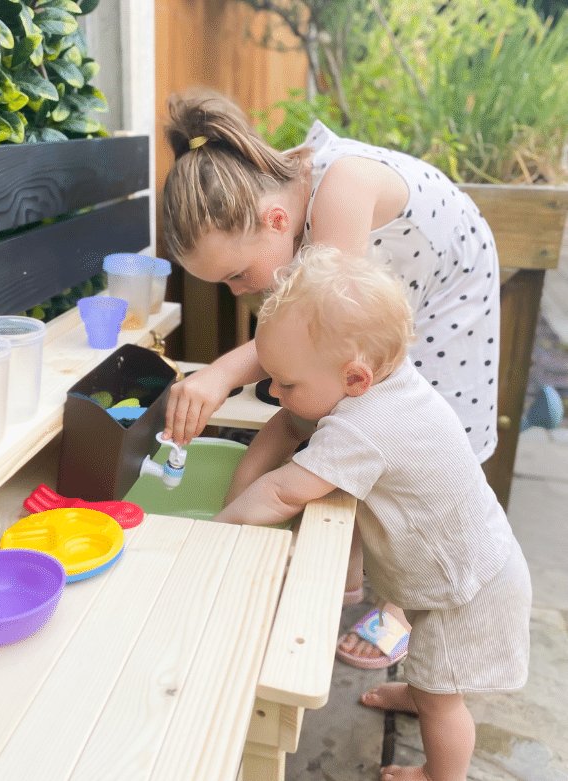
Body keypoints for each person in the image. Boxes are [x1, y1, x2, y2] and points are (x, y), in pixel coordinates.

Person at [160, 89, 501, 669]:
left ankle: (402, 608)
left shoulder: (338, 192)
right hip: (378, 304)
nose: (240, 291)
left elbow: (323, 328)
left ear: (275, 220)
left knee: (414, 444)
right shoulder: (285, 188)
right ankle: (346, 572)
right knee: (330, 417)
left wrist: (220, 373)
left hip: (443, 305)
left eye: (238, 274)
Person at [213, 246, 530, 781]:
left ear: (356, 378)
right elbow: (296, 427)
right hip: (471, 560)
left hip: (466, 588)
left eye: (286, 384)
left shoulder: (366, 426)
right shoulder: (387, 385)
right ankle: (423, 687)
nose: (272, 391)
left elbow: (284, 493)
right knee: (433, 675)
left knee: (443, 702)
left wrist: (214, 532)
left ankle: (439, 773)